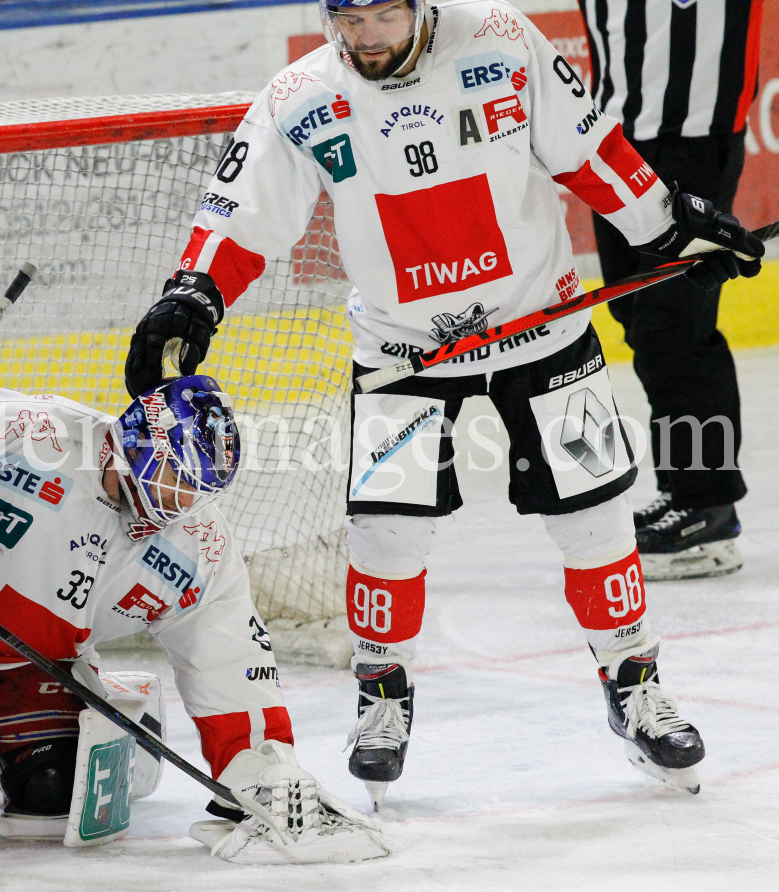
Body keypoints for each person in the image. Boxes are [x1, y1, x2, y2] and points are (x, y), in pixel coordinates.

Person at [122, 0, 764, 809]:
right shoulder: (302, 95)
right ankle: (383, 696)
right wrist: (194, 294)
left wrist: (668, 227)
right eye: (348, 19)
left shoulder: (500, 39)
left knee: (595, 517)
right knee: (387, 531)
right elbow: (242, 216)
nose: (366, 37)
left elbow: (588, 151)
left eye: (384, 15)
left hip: (544, 326)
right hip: (403, 350)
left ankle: (635, 685)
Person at [0, 376, 389, 864]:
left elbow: (226, 650)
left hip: (22, 665)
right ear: (133, 443)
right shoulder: (14, 432)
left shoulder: (198, 544)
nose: (177, 504)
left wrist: (261, 769)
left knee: (52, 788)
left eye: (194, 491)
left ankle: (57, 725)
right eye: (171, 479)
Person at [577, 0, 763, 581]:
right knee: (640, 320)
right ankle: (686, 488)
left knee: (674, 328)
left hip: (694, 139)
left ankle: (707, 505)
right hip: (612, 143)